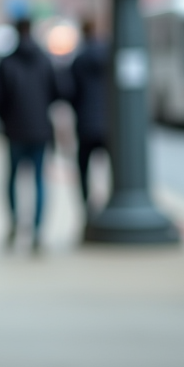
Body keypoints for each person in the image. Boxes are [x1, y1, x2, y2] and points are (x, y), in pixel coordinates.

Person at [0, 18, 60, 250]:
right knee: (39, 180)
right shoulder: (44, 60)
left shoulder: (7, 62)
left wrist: (7, 119)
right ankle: (38, 231)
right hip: (40, 130)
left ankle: (14, 223)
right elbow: (56, 92)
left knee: (12, 179)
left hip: (15, 131)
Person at [68, 19, 109, 218]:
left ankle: (87, 206)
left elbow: (70, 91)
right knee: (113, 167)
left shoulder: (79, 59)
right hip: (110, 124)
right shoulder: (109, 55)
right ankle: (109, 201)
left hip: (85, 123)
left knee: (84, 168)